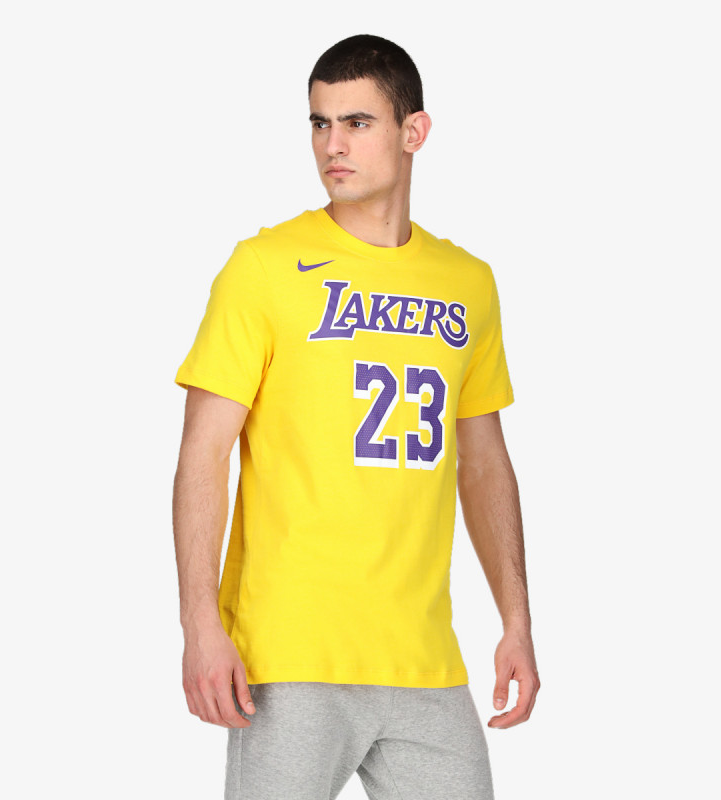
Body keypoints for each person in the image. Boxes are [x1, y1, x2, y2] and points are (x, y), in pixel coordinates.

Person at [172, 33, 539, 800]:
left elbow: (484, 461)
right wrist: (200, 626)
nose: (331, 145)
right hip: (292, 654)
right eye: (319, 123)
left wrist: (516, 619)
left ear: (414, 132)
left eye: (357, 123)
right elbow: (203, 454)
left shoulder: (467, 283)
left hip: (425, 661)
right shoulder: (264, 268)